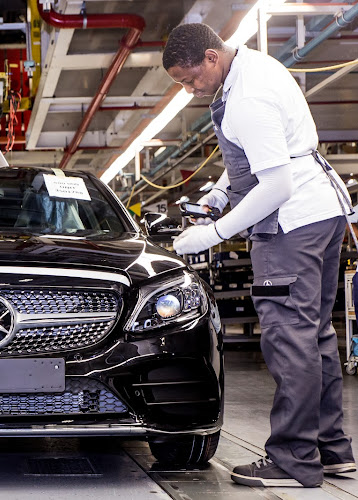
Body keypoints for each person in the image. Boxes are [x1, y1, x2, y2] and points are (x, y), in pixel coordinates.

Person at [162, 23, 355, 488]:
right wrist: (220, 192)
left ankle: (293, 461)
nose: (191, 91)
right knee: (315, 337)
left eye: (191, 79)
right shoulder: (256, 67)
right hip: (322, 215)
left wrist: (211, 234)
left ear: (211, 56)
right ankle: (331, 451)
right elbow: (269, 157)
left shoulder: (245, 100)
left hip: (292, 225)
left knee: (289, 340)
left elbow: (276, 184)